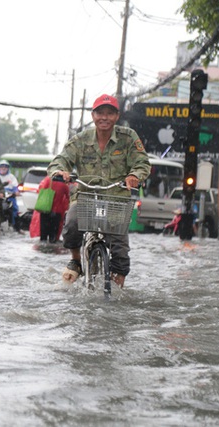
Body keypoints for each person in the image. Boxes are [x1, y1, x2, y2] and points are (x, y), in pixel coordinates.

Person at [47, 94, 151, 288]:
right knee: (70, 226)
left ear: (117, 116)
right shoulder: (80, 140)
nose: (104, 117)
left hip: (117, 200)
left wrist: (134, 176)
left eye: (109, 113)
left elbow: (142, 162)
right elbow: (61, 160)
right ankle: (76, 260)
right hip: (86, 196)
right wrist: (61, 171)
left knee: (120, 250)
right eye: (100, 113)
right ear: (93, 115)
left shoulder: (128, 137)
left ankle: (117, 289)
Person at [28, 175, 70, 243]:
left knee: (43, 234)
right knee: (53, 234)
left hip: (45, 209)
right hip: (57, 212)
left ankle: (43, 245)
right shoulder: (64, 186)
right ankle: (52, 245)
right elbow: (68, 197)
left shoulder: (48, 181)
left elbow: (40, 190)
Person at [0, 159, 22, 232]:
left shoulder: (11, 177)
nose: (3, 168)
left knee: (15, 209)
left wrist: (16, 192)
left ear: (8, 168)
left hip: (9, 197)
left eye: (5, 167)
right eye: (2, 166)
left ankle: (16, 227)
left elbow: (15, 187)